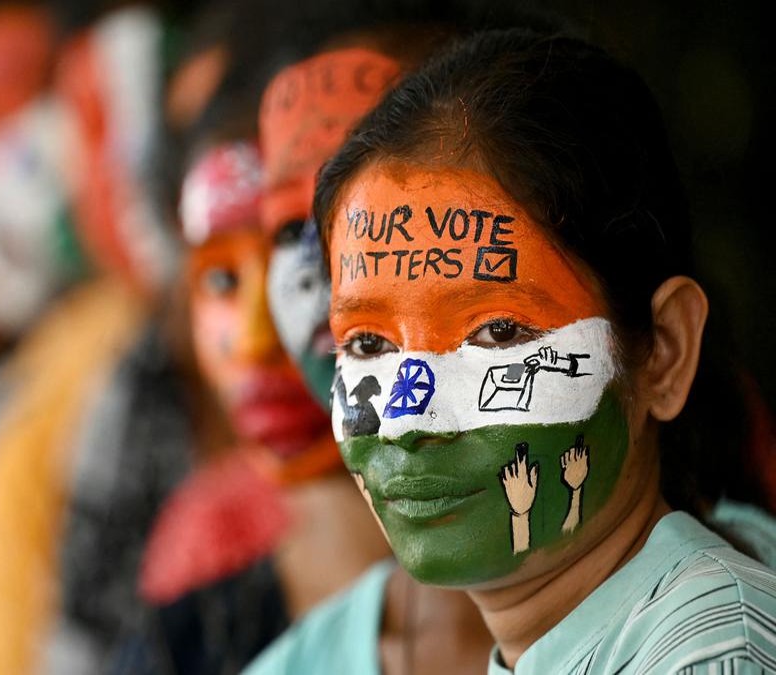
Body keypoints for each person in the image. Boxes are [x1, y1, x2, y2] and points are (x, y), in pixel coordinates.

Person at [251, 27, 776, 673]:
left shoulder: (713, 654)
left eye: (498, 332)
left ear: (663, 351)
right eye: (367, 341)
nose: (407, 418)